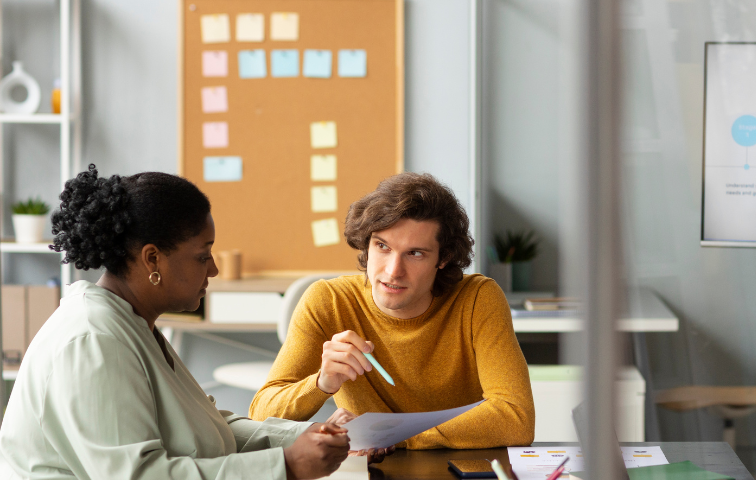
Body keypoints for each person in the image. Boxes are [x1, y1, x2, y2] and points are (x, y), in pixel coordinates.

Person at [0, 165, 362, 480]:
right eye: (203, 256)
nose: (214, 269)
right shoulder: (94, 339)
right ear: (152, 259)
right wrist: (285, 465)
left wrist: (303, 436)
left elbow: (205, 426)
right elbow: (139, 475)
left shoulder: (130, 323)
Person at [249, 172, 535, 449]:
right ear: (367, 244)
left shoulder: (477, 299)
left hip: (459, 465)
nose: (393, 271)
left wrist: (396, 438)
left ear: (443, 258)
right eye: (382, 246)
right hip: (370, 466)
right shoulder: (328, 301)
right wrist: (321, 383)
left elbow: (516, 419)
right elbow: (260, 416)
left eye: (415, 253)